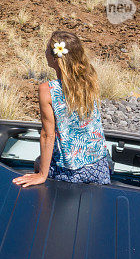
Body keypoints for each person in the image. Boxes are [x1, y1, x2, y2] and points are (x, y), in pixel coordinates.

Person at [12, 30, 110, 187]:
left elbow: (47, 135)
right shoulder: (90, 80)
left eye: (46, 49)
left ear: (56, 58)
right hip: (99, 167)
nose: (44, 52)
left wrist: (42, 174)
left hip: (69, 172)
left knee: (38, 163)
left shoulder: (47, 90)